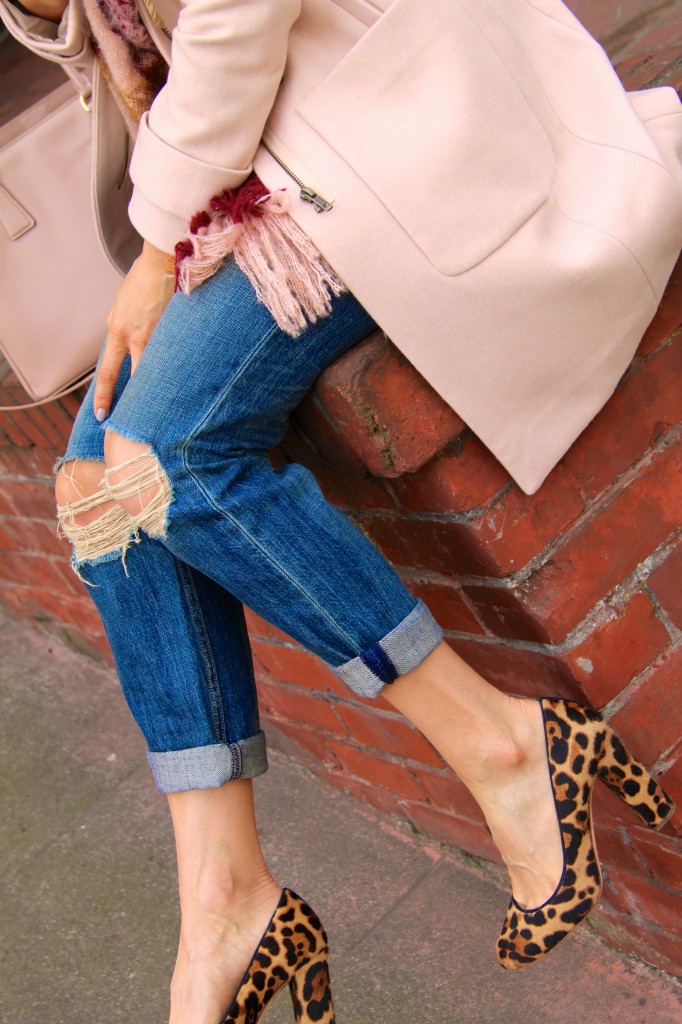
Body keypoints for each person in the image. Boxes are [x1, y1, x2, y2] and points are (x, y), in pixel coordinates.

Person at [2, 0, 679, 1021]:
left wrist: (152, 256)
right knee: (99, 496)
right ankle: (223, 894)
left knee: (166, 455)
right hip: (262, 170)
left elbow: (237, 20)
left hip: (372, 129)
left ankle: (501, 741)